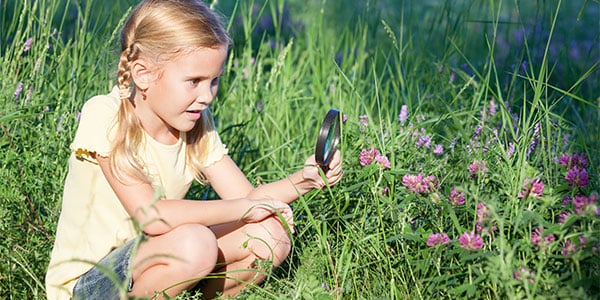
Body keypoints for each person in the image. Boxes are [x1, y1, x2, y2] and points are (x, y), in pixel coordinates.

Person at [44, 0, 343, 299]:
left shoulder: (196, 124)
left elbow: (246, 198)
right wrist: (246, 209)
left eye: (213, 82)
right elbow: (153, 216)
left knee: (269, 234)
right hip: (90, 283)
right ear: (143, 74)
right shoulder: (105, 114)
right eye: (194, 81)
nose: (207, 96)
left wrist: (305, 180)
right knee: (195, 243)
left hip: (156, 259)